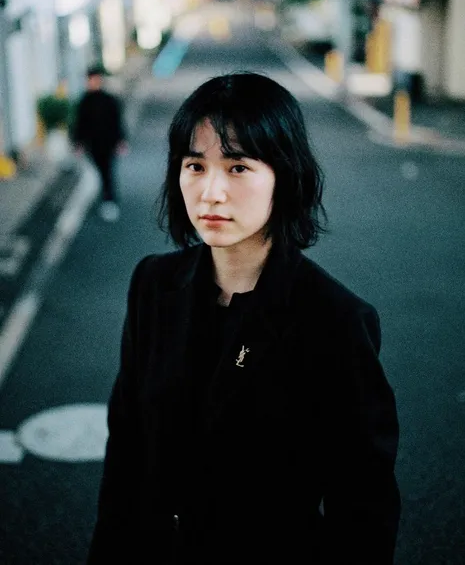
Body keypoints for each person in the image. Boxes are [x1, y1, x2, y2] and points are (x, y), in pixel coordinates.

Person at [87, 72, 401, 564]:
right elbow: (126, 450)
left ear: (285, 174)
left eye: (237, 167)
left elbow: (363, 509)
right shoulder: (153, 284)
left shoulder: (334, 321)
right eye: (195, 165)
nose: (210, 193)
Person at [73, 65, 127, 222]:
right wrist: (78, 143)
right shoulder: (84, 102)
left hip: (108, 143)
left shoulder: (109, 100)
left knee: (107, 171)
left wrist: (121, 140)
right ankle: (106, 198)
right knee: (101, 171)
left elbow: (117, 122)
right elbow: (80, 124)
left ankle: (109, 200)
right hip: (93, 144)